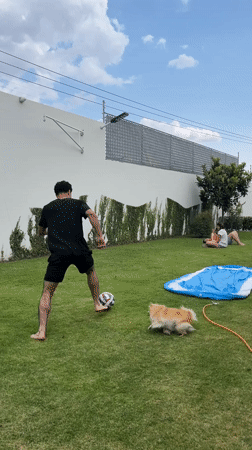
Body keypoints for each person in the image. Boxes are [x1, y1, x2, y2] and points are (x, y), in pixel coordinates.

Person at [31, 181, 108, 341]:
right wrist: (100, 235)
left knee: (47, 291)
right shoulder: (78, 203)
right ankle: (97, 304)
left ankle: (42, 331)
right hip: (80, 250)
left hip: (58, 253)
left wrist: (45, 231)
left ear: (56, 193)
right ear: (69, 191)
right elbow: (92, 215)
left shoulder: (48, 208)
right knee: (90, 271)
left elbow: (41, 231)